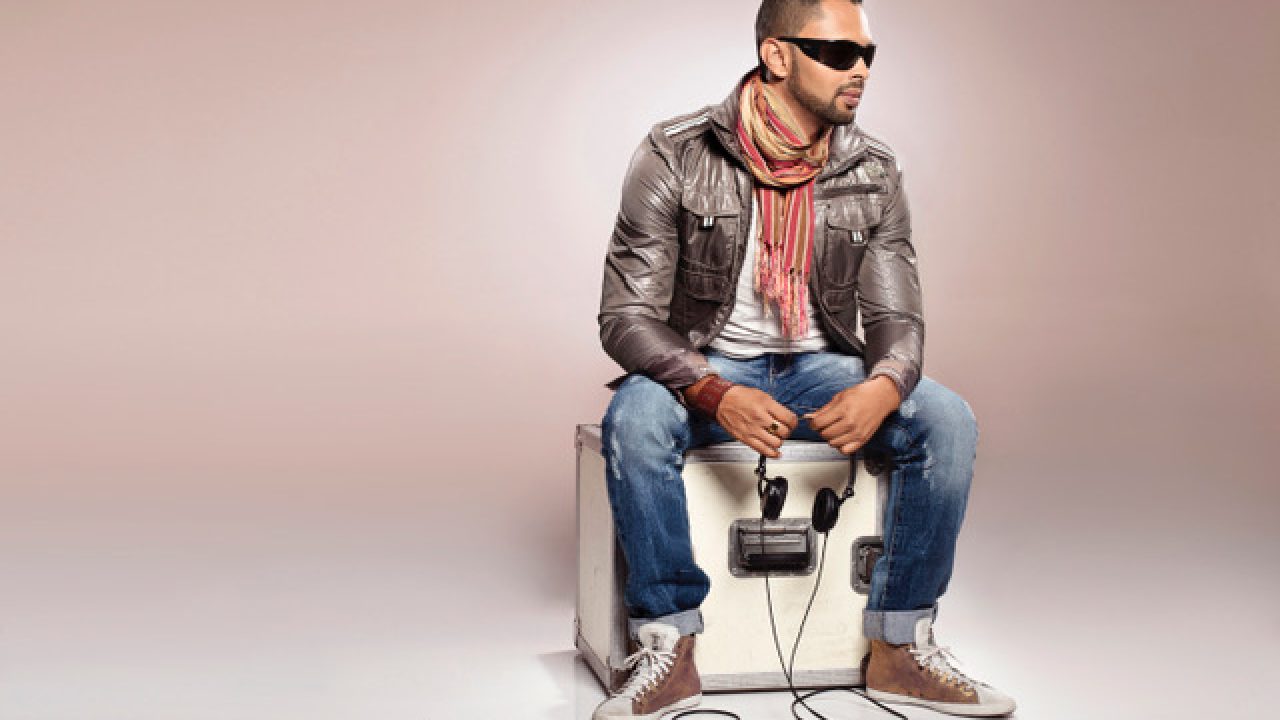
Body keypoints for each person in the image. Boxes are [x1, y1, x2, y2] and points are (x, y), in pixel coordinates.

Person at [592, 1, 1017, 718]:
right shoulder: (674, 153)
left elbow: (897, 316)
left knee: (946, 419)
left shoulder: (873, 167)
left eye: (868, 55)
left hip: (821, 365)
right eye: (838, 53)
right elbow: (625, 317)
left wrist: (886, 385)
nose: (860, 71)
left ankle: (900, 647)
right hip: (707, 362)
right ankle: (670, 646)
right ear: (777, 55)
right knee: (634, 418)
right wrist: (711, 390)